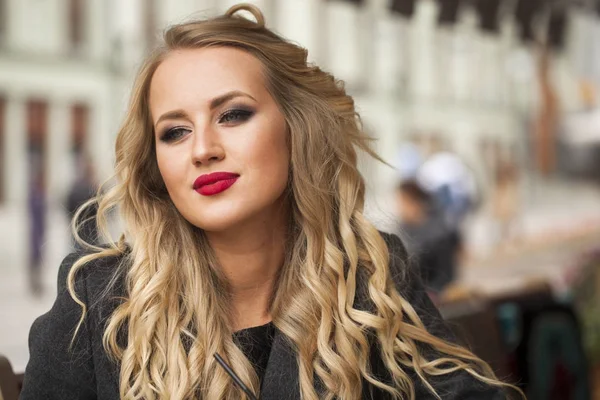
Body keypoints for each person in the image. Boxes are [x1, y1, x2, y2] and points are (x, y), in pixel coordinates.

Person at [21, 4, 522, 399]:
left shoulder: (367, 278)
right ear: (156, 163)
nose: (203, 150)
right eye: (174, 132)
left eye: (233, 115)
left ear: (295, 129)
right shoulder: (99, 302)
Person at [395, 180, 457, 294]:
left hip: (436, 294)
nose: (400, 208)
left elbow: (445, 275)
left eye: (403, 202)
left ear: (415, 202)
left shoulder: (437, 232)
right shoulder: (404, 229)